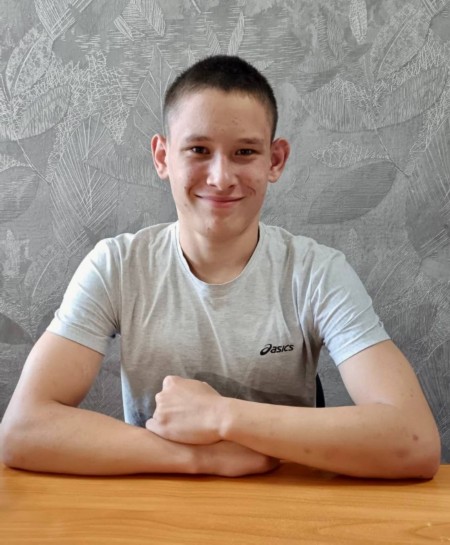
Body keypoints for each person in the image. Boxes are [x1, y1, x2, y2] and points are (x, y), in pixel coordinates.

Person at [0, 56, 440, 478]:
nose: (221, 177)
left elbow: (415, 441)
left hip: (290, 507)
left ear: (275, 160)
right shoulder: (116, 265)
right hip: (156, 505)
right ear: (162, 157)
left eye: (245, 151)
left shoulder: (317, 273)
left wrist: (222, 416)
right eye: (198, 149)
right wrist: (201, 460)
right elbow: (22, 430)